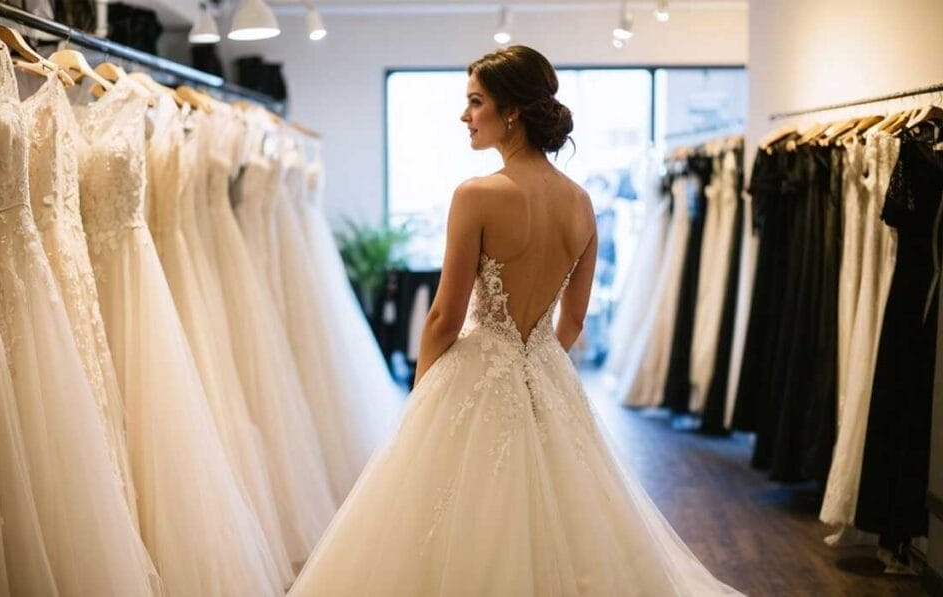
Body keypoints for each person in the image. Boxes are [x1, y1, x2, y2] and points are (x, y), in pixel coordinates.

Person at [288, 45, 743, 596]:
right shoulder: (581, 204)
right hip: (544, 369)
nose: (464, 116)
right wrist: (534, 365)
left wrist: (422, 396)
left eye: (475, 102)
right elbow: (573, 322)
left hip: (479, 368)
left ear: (512, 113)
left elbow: (443, 317)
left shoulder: (477, 195)